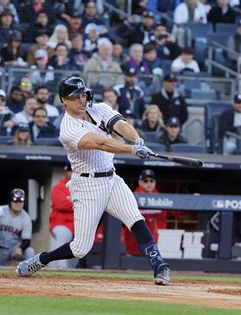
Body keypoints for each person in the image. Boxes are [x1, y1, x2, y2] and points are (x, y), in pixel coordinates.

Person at [15, 77, 170, 286]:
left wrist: (138, 140)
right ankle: (42, 259)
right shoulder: (67, 129)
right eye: (75, 96)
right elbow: (101, 143)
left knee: (135, 218)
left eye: (83, 94)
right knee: (80, 248)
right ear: (64, 100)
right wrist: (132, 149)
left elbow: (121, 125)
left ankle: (159, 265)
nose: (81, 99)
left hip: (111, 178)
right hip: (87, 185)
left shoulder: (100, 108)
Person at [124, 169, 167, 256]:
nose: (149, 183)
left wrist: (193, 200)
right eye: (145, 181)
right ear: (140, 182)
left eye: (151, 181)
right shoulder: (131, 197)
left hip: (156, 250)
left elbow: (178, 212)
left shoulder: (162, 199)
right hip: (133, 250)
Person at [0, 189, 35, 266]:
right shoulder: (0, 210)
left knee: (30, 251)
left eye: (21, 201)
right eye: (15, 201)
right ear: (10, 201)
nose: (18, 204)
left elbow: (26, 240)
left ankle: (26, 271)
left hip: (13, 248)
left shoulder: (26, 217)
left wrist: (20, 249)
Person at [49, 162, 76, 269]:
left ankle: (70, 272)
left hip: (77, 226)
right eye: (70, 171)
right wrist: (78, 203)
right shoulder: (58, 187)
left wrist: (72, 201)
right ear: (66, 171)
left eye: (74, 171)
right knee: (63, 235)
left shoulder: (84, 187)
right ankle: (60, 268)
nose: (72, 173)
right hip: (61, 223)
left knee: (77, 252)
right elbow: (61, 205)